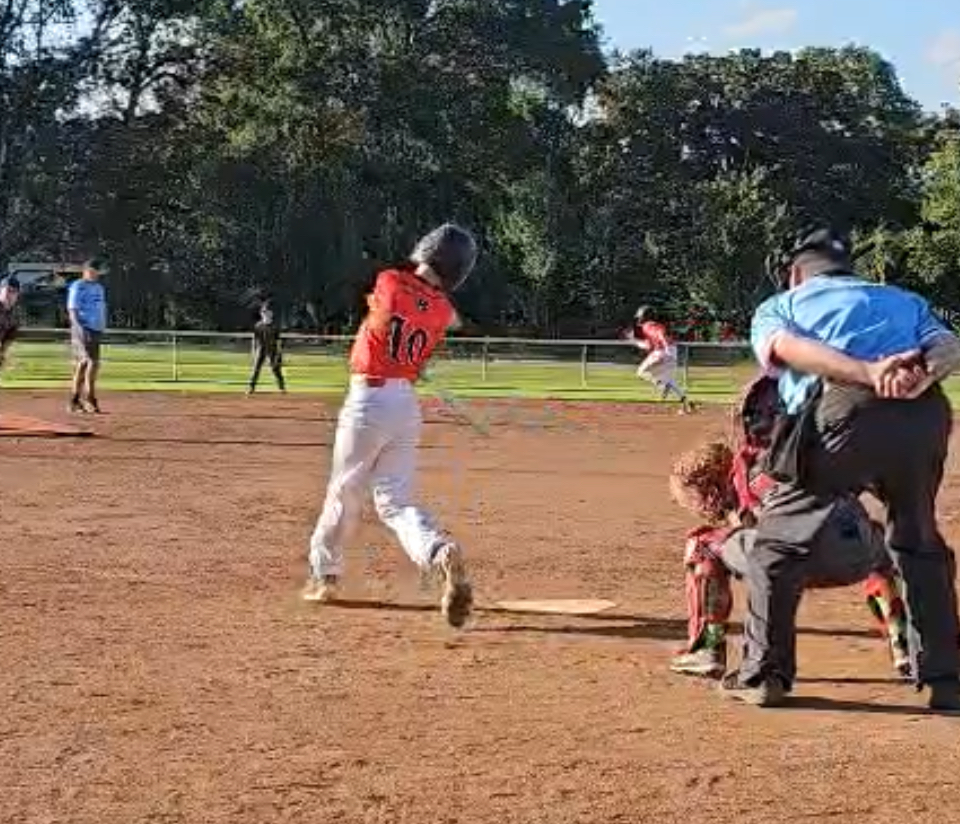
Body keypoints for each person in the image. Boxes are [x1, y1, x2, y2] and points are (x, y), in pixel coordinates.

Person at [719, 226, 960, 710]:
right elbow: (950, 346)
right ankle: (947, 681)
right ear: (849, 269)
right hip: (925, 413)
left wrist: (867, 373)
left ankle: (765, 674)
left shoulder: (782, 305)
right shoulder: (903, 299)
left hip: (840, 412)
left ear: (795, 273)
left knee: (777, 546)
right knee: (917, 540)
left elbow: (789, 349)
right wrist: (918, 378)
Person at [666, 376, 909, 681]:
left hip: (784, 563)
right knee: (882, 540)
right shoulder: (842, 449)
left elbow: (748, 524)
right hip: (850, 557)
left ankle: (707, 648)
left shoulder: (750, 461)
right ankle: (906, 643)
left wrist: (725, 508)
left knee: (703, 543)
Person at [301, 224, 478, 629]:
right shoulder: (442, 311)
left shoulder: (390, 280)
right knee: (396, 502)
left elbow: (381, 302)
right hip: (404, 404)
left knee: (344, 490)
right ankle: (437, 550)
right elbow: (426, 314)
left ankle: (324, 574)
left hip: (367, 400)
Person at [626, 306, 695, 413]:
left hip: (662, 351)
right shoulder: (653, 326)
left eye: (640, 317)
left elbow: (660, 333)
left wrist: (665, 347)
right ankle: (686, 403)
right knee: (670, 380)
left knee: (641, 372)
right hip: (671, 351)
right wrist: (633, 341)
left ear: (645, 317)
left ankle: (662, 385)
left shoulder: (648, 325)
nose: (639, 319)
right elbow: (648, 345)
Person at [67, 258, 108, 413]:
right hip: (82, 328)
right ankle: (89, 398)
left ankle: (75, 399)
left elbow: (100, 308)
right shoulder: (78, 286)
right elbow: (72, 309)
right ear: (85, 271)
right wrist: (78, 327)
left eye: (96, 271)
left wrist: (102, 326)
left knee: (85, 363)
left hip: (95, 329)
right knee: (91, 361)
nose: (94, 273)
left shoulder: (99, 288)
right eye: (91, 270)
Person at [247, 296, 286, 394]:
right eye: (263, 312)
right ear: (261, 313)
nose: (265, 314)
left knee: (275, 368)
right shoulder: (258, 325)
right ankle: (251, 387)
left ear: (271, 314)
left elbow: (278, 341)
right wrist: (253, 350)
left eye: (267, 312)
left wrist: (279, 353)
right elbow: (255, 339)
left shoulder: (274, 326)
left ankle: (282, 387)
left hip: (272, 349)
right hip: (261, 348)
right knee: (256, 368)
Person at [0, 275, 21, 372]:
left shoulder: (14, 314)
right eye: (7, 291)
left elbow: (10, 335)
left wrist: (3, 351)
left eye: (14, 292)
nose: (10, 294)